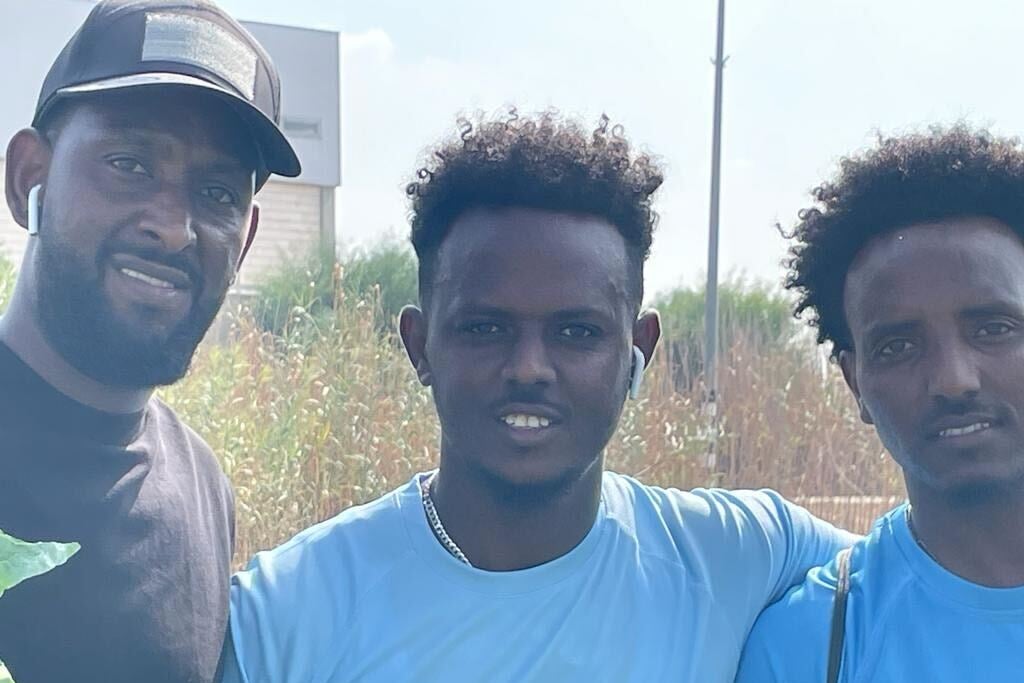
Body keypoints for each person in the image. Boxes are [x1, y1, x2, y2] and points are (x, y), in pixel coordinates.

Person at [222, 111, 855, 683]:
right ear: (420, 346)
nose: (529, 368)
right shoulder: (283, 616)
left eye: (577, 333)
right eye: (485, 328)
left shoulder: (741, 557)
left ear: (639, 350)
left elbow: (930, 579)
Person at [0, 1, 300, 681]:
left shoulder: (203, 490)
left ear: (245, 240)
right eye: (129, 163)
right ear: (29, 180)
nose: (173, 226)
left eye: (216, 192)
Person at [736, 126, 1024, 682]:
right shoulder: (813, 643)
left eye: (993, 328)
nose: (954, 379)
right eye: (898, 346)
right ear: (855, 384)